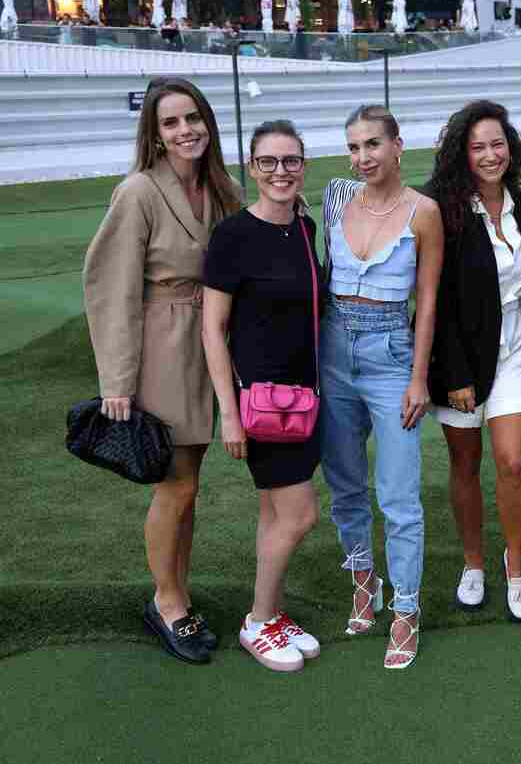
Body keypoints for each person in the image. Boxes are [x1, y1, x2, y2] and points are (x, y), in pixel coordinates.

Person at [83, 77, 241, 664]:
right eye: (170, 122)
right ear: (154, 134)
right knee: (176, 483)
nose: (184, 130)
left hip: (209, 342)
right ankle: (168, 602)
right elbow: (110, 288)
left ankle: (177, 588)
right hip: (161, 343)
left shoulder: (224, 188)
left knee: (189, 483)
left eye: (192, 118)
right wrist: (116, 381)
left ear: (208, 122)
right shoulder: (138, 192)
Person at [321, 105, 444, 669]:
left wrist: (419, 377)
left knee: (398, 495)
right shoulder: (336, 198)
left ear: (398, 145)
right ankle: (363, 582)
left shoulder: (424, 212)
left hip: (392, 354)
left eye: (373, 144)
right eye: (353, 147)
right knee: (345, 484)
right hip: (332, 351)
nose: (362, 156)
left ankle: (406, 610)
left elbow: (428, 301)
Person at [201, 120, 323, 672]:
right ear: (252, 168)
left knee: (275, 514)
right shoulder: (232, 235)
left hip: (306, 400)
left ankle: (270, 614)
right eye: (268, 162)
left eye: (290, 160)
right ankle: (257, 622)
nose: (281, 171)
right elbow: (212, 329)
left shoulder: (305, 227)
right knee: (300, 515)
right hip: (262, 404)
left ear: (303, 165)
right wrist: (229, 414)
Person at [425, 100, 521, 620]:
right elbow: (437, 299)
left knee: (513, 461)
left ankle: (515, 561)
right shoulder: (443, 210)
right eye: (478, 147)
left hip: (512, 347)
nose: (491, 155)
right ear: (462, 154)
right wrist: (454, 375)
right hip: (459, 358)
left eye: (498, 144)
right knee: (465, 464)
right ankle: (473, 561)